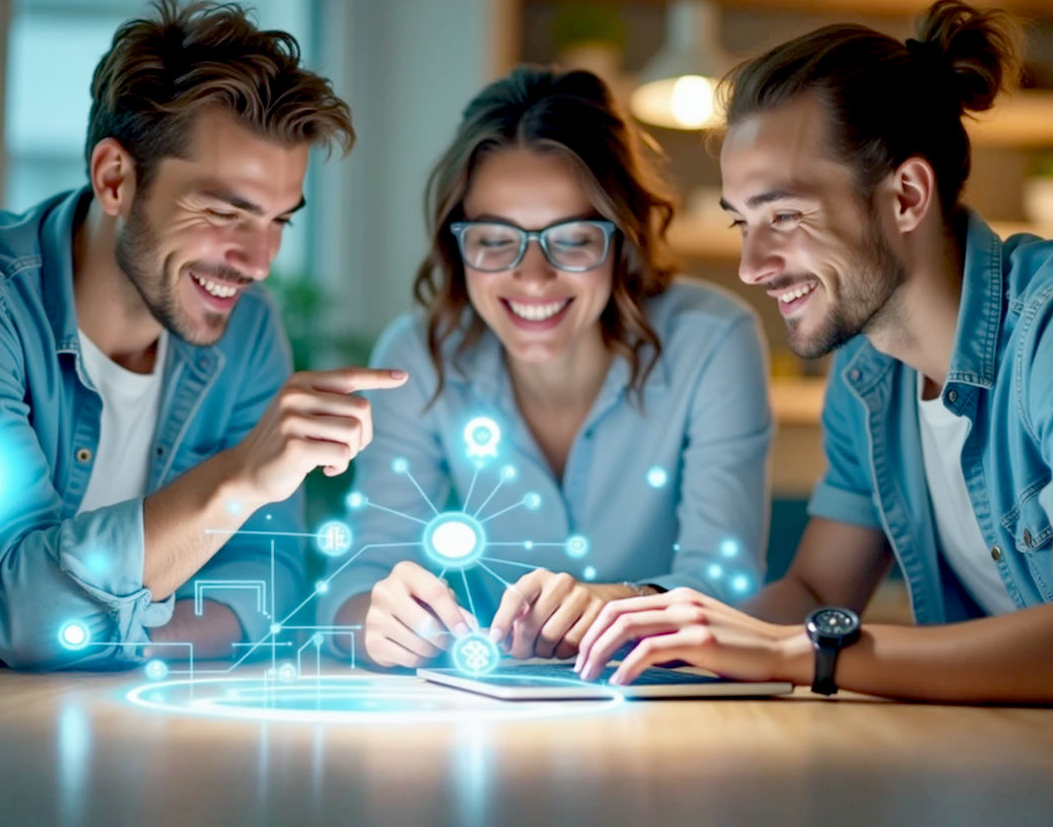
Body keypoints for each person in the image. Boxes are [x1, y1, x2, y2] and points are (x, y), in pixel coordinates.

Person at [575, 0, 1053, 742]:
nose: (752, 266)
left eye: (783, 216)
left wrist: (799, 652)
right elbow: (819, 589)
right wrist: (633, 621)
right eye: (741, 222)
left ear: (907, 196)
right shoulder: (868, 377)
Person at [0, 0, 406, 673]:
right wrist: (240, 479)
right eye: (226, 212)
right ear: (115, 179)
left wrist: (104, 639)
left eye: (280, 220)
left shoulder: (246, 335)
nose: (259, 261)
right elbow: (23, 607)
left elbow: (267, 583)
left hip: (106, 729)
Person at [321, 66, 773, 668]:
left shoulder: (713, 341)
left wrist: (617, 606)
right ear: (459, 245)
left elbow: (731, 584)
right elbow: (355, 584)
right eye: (494, 238)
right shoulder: (416, 357)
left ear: (623, 237)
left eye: (573, 238)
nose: (532, 277)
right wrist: (377, 620)